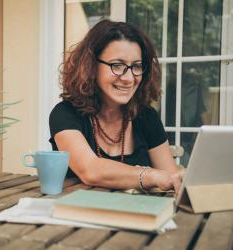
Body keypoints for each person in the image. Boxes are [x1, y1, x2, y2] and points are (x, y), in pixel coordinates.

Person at [49, 20, 183, 195]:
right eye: (117, 65)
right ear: (91, 66)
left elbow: (171, 178)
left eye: (136, 66)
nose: (129, 78)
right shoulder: (65, 114)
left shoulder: (147, 116)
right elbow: (91, 170)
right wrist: (151, 176)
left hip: (139, 217)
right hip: (77, 216)